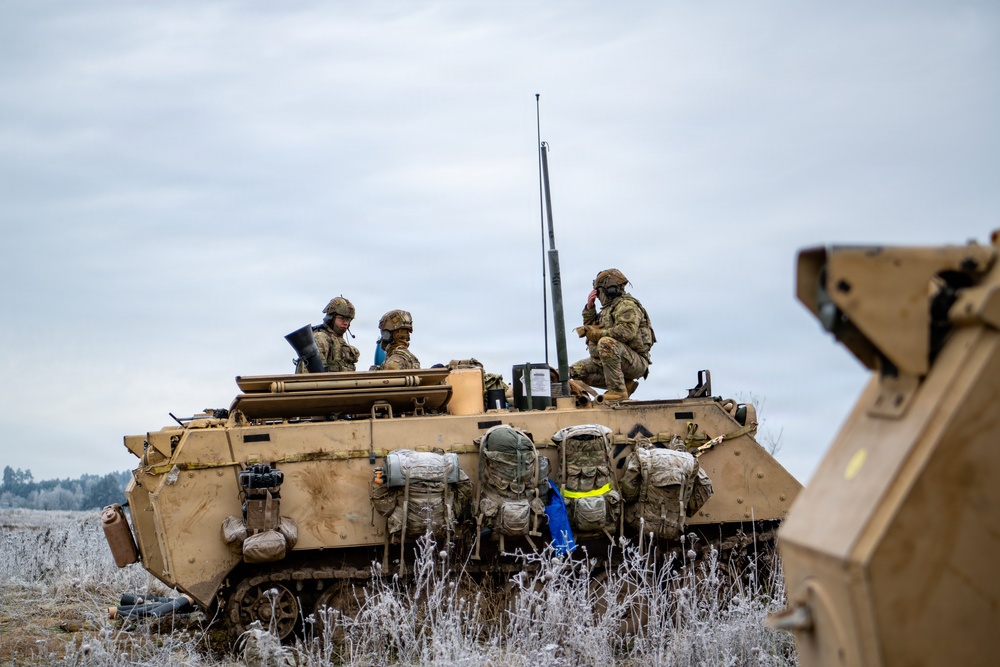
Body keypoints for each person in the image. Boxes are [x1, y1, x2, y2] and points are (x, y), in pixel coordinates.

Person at [569, 269, 655, 402]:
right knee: (571, 372)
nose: (597, 296)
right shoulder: (608, 309)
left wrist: (597, 334)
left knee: (606, 343)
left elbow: (625, 332)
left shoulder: (627, 305)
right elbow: (591, 329)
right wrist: (590, 309)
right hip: (606, 360)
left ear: (608, 290)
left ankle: (618, 391)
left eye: (598, 291)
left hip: (634, 361)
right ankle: (624, 385)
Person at [295, 297, 361, 373]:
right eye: (341, 318)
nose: (345, 323)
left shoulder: (339, 340)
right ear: (331, 318)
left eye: (348, 320)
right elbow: (312, 375)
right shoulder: (321, 338)